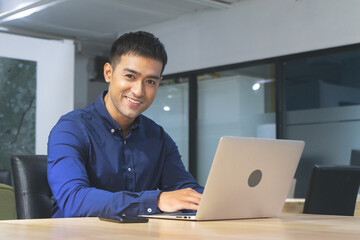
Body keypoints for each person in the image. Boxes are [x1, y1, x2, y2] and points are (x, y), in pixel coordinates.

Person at [47, 31, 203, 218]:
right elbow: (74, 199)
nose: (139, 91)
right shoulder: (70, 129)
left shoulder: (158, 137)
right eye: (130, 76)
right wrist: (157, 200)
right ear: (108, 73)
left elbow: (186, 191)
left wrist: (216, 201)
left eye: (150, 81)